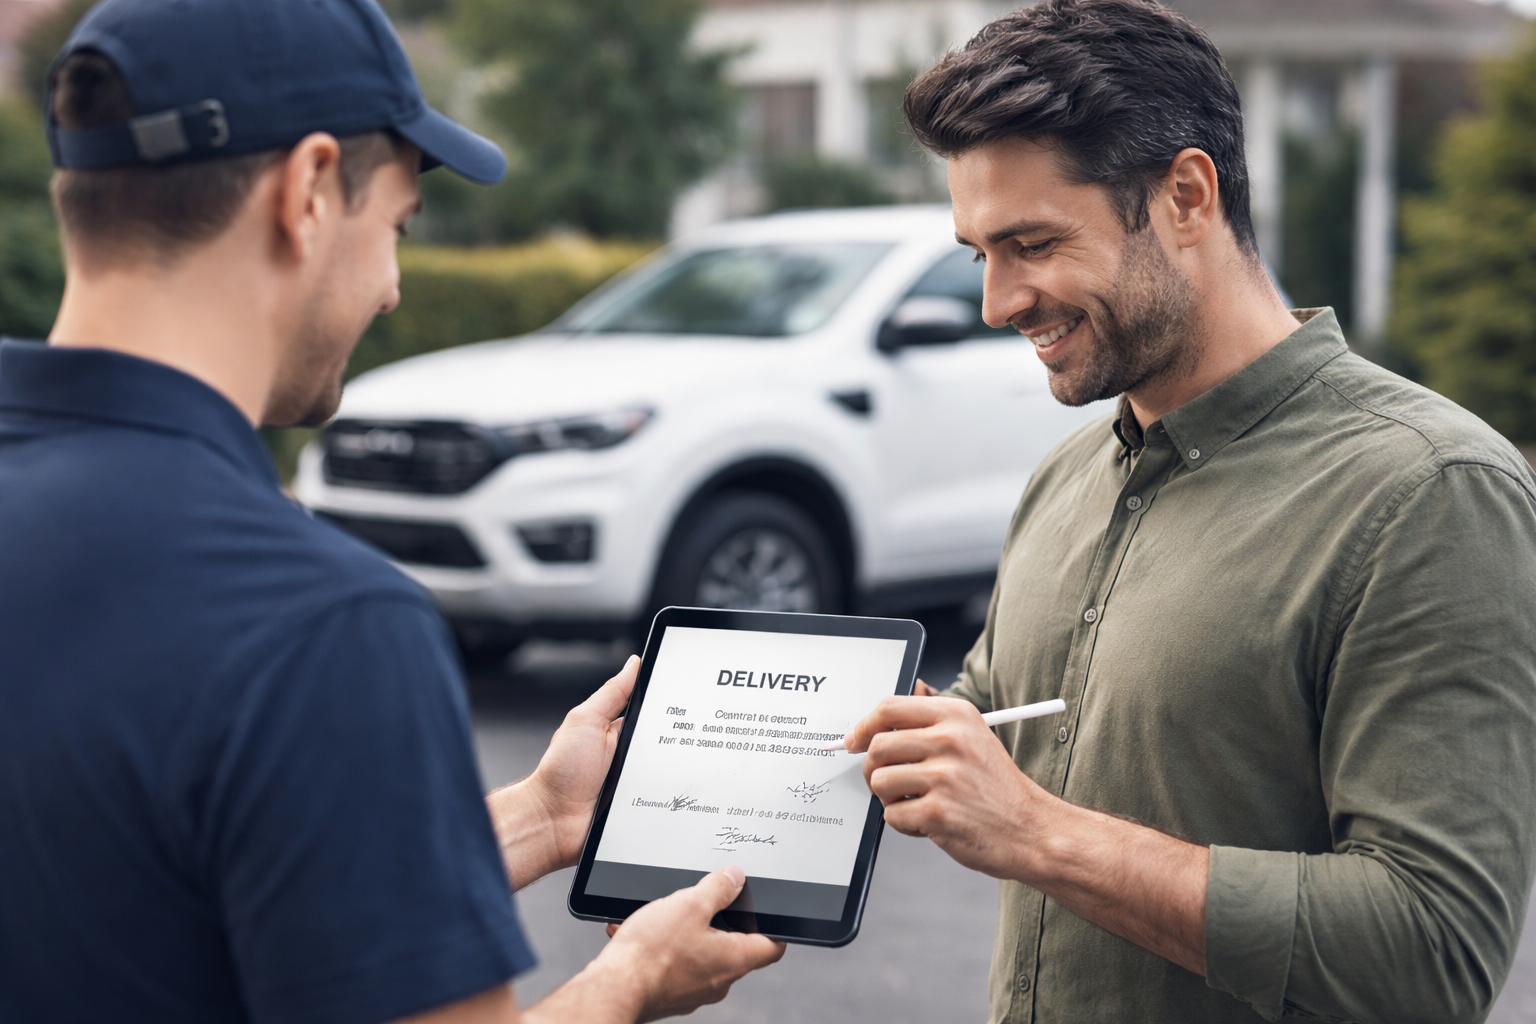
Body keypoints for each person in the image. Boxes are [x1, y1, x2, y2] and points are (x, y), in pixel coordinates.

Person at [0, 0, 783, 1021]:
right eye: (397, 226)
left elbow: (145, 886)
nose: (392, 287)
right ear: (310, 189)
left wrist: (545, 818)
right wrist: (630, 980)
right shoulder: (320, 625)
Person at [842, 2, 1536, 1022]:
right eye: (981, 251)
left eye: (1032, 242)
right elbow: (976, 726)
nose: (996, 302)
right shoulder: (1068, 475)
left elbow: (1432, 951)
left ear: (1185, 196)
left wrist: (1039, 834)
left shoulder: (1430, 491)